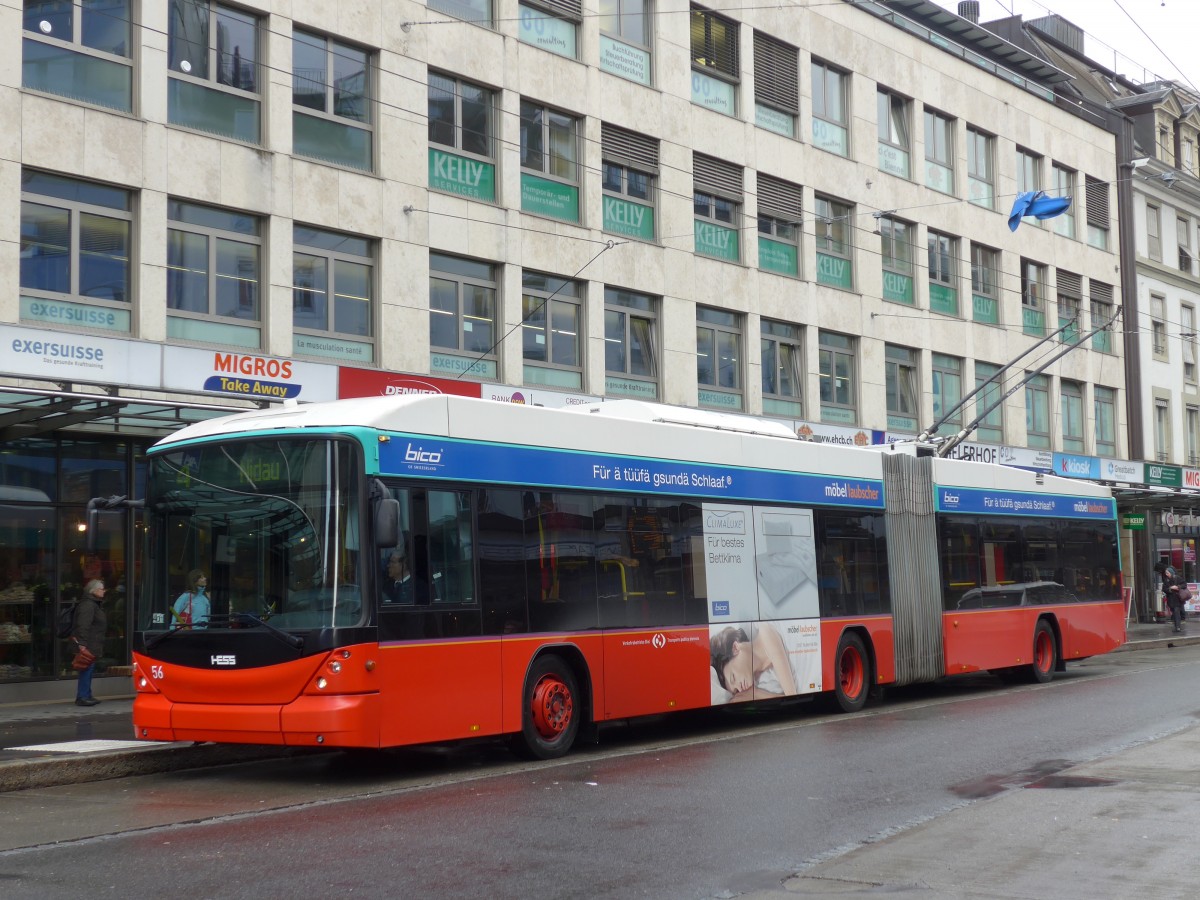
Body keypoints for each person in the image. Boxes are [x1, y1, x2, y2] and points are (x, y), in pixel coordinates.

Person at [710, 622, 799, 702]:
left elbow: (793, 700)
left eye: (733, 678)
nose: (740, 689)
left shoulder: (765, 632)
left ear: (735, 648)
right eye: (736, 690)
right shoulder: (764, 681)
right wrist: (756, 693)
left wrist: (756, 694)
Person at [71, 579, 107, 707]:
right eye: (102, 589)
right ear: (94, 590)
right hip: (88, 643)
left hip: (92, 642)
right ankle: (83, 696)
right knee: (86, 668)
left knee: (88, 669)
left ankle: (86, 694)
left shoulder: (92, 604)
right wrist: (82, 643)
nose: (104, 591)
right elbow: (83, 625)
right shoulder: (88, 605)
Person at [1159, 562, 1188, 634]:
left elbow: (1184, 584)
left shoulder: (1178, 578)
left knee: (1176, 612)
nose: (1166, 574)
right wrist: (1170, 588)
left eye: (1167, 573)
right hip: (1171, 599)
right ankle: (1177, 626)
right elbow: (1164, 589)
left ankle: (1177, 627)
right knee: (1174, 613)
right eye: (1166, 573)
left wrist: (1178, 587)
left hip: (1178, 599)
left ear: (1171, 573)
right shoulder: (1166, 580)